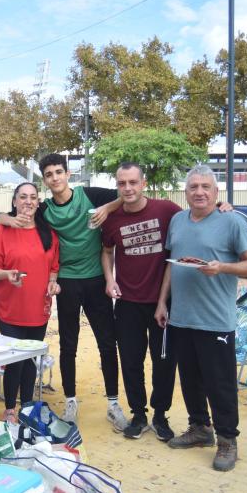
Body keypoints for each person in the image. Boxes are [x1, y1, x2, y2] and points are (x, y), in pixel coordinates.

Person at [0, 153, 124, 428]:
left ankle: (114, 403)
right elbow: (4, 216)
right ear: (44, 180)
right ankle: (70, 402)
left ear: (68, 174)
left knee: (107, 343)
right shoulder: (44, 210)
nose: (55, 178)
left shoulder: (90, 195)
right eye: (49, 174)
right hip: (66, 282)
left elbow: (128, 195)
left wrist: (108, 208)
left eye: (59, 172)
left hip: (95, 280)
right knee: (69, 345)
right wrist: (5, 219)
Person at [155, 165, 247, 472]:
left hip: (215, 320)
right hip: (181, 318)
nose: (199, 192)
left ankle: (228, 440)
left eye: (205, 187)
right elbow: (171, 266)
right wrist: (163, 302)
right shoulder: (177, 220)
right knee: (190, 380)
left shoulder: (231, 222)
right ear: (185, 192)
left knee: (220, 384)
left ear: (216, 193)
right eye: (193, 187)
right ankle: (200, 428)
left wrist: (222, 268)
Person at [101, 163, 181, 442]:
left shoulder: (167, 210)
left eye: (133, 182)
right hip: (127, 304)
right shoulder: (112, 220)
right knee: (131, 362)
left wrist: (222, 206)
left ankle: (160, 415)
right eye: (122, 183)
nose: (128, 188)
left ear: (143, 183)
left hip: (162, 303)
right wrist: (109, 279)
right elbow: (107, 252)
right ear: (117, 186)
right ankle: (139, 414)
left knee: (164, 362)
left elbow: (196, 219)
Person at [0, 183, 60, 423]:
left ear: (38, 202)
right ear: (14, 201)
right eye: (23, 197)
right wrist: (6, 275)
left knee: (31, 359)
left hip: (39, 307)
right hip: (10, 308)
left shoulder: (49, 233)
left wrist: (53, 283)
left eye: (33, 197)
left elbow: (54, 267)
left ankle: (26, 405)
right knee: (14, 360)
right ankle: (9, 409)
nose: (28, 201)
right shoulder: (2, 232)